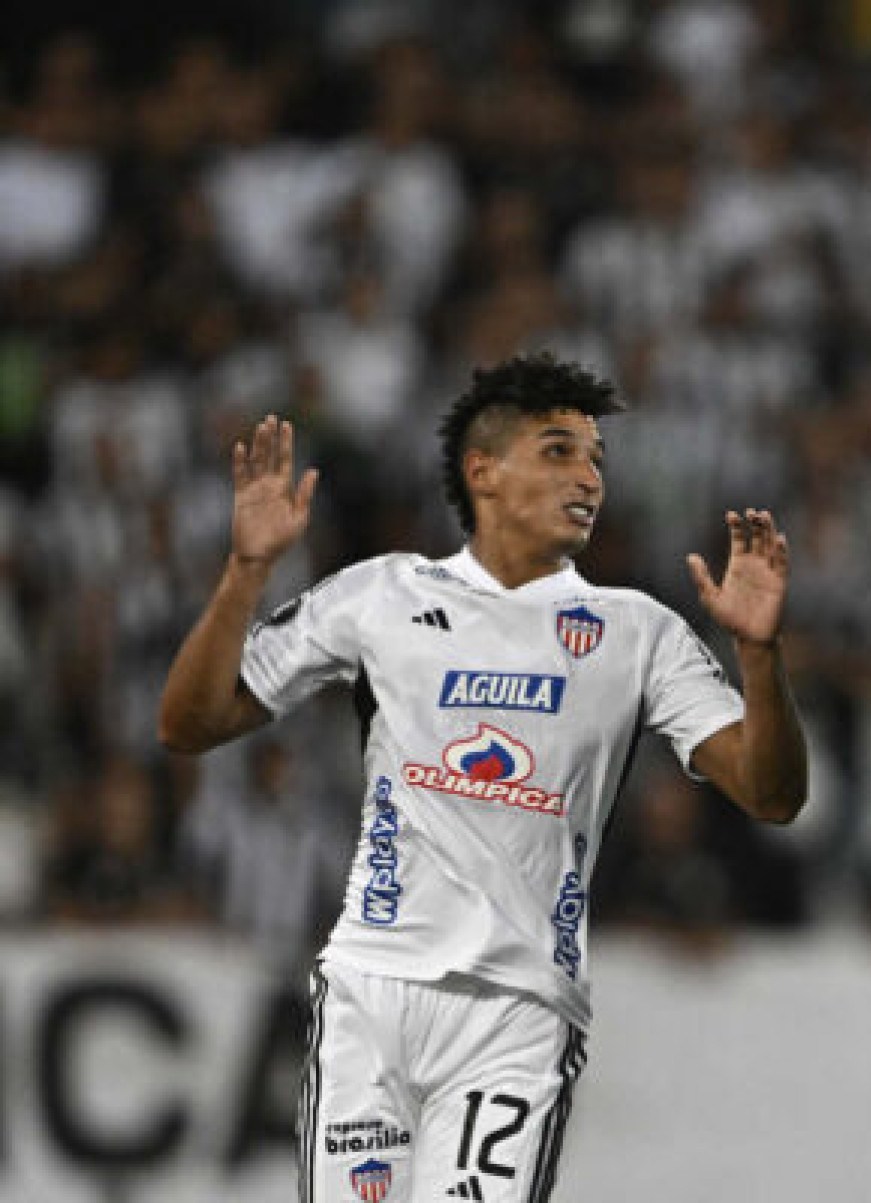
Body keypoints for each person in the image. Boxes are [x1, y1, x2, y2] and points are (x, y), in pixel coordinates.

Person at [158, 353, 808, 1202]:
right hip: (372, 988)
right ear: (484, 471)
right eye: (559, 452)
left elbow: (773, 793)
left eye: (596, 461)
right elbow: (188, 723)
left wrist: (759, 654)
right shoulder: (381, 594)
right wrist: (246, 573)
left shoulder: (635, 630)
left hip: (518, 1007)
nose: (589, 478)